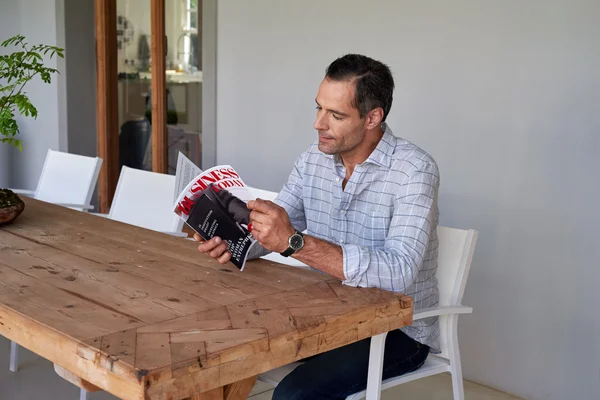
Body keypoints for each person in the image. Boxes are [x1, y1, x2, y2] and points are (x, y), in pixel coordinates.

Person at [194, 54, 440, 400]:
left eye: (335, 115)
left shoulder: (413, 170)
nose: (318, 124)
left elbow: (399, 272)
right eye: (318, 108)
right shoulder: (314, 158)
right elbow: (279, 227)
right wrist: (234, 241)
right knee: (208, 353)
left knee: (292, 395)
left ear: (373, 117)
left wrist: (294, 243)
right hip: (324, 313)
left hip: (397, 329)